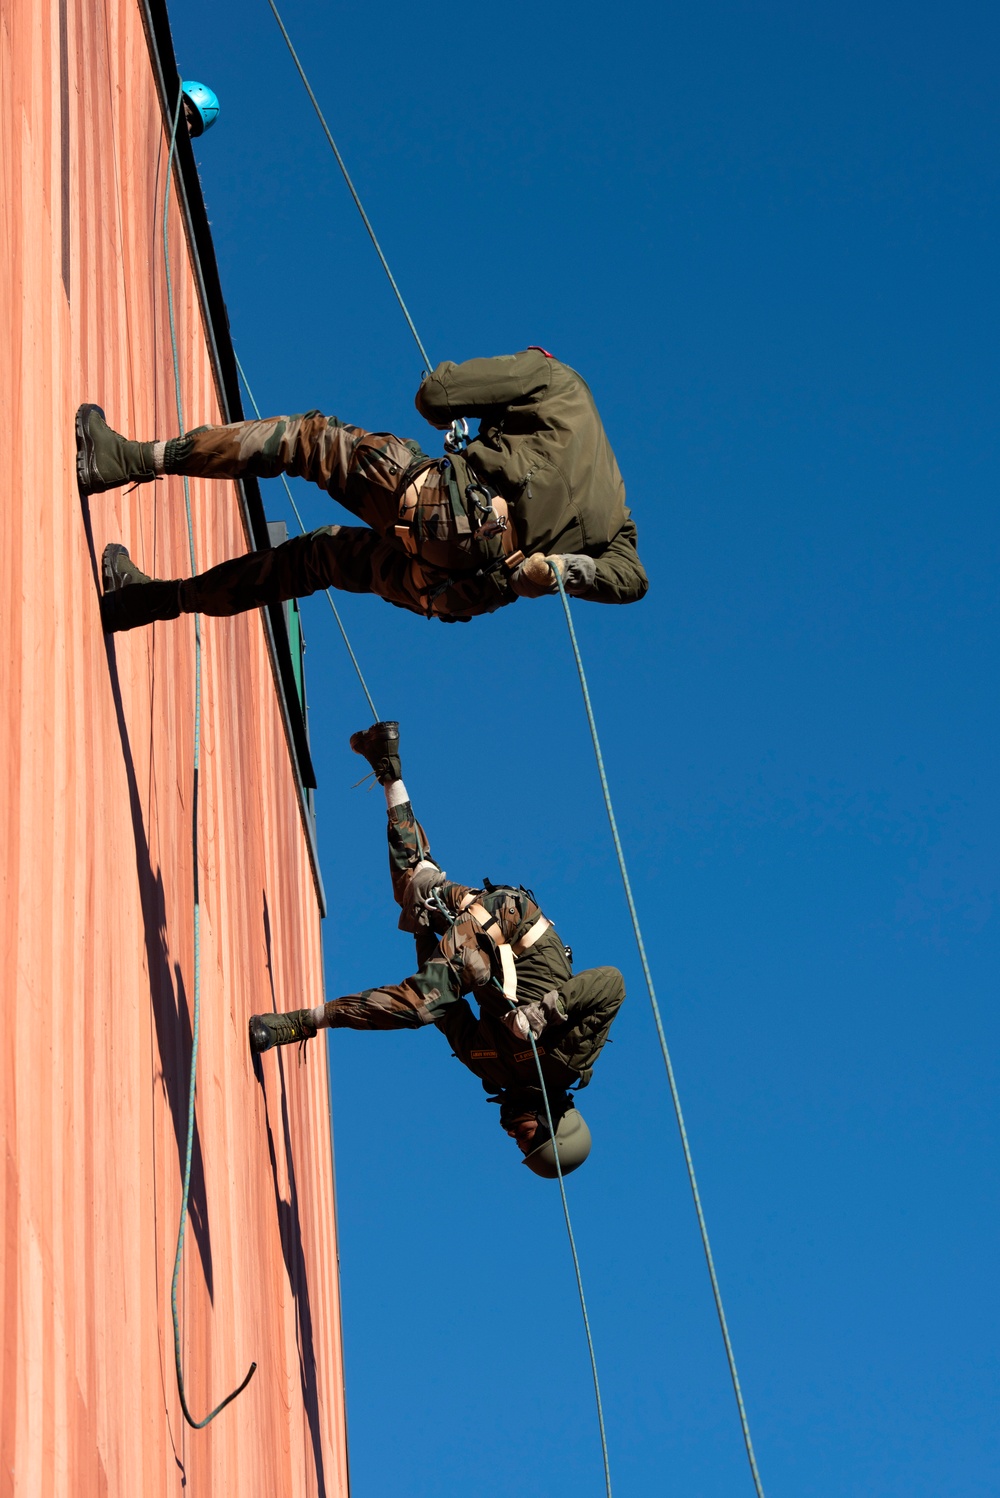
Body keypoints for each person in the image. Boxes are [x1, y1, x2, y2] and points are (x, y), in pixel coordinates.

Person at [249, 721, 625, 1178]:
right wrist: (542, 1013)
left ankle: (387, 765)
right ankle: (300, 1024)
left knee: (412, 887)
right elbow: (611, 983)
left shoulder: (493, 1070)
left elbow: (448, 1016)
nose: (512, 1133)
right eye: (526, 1137)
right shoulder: (568, 1061)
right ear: (551, 1124)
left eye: (518, 1143)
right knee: (414, 1005)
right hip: (511, 925)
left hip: (480, 941)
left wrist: (422, 928)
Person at [77, 348, 648, 628]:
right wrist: (562, 573)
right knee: (318, 560)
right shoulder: (617, 516)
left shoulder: (556, 378)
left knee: (306, 440)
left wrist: (478, 390)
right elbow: (633, 581)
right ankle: (149, 601)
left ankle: (125, 459)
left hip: (446, 515)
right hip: (455, 593)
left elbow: (435, 397)